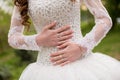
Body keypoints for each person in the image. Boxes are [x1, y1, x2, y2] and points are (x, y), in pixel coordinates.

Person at [8, 0, 120, 80]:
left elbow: (105, 20)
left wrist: (81, 47)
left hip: (81, 64)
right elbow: (13, 37)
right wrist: (38, 40)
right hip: (45, 69)